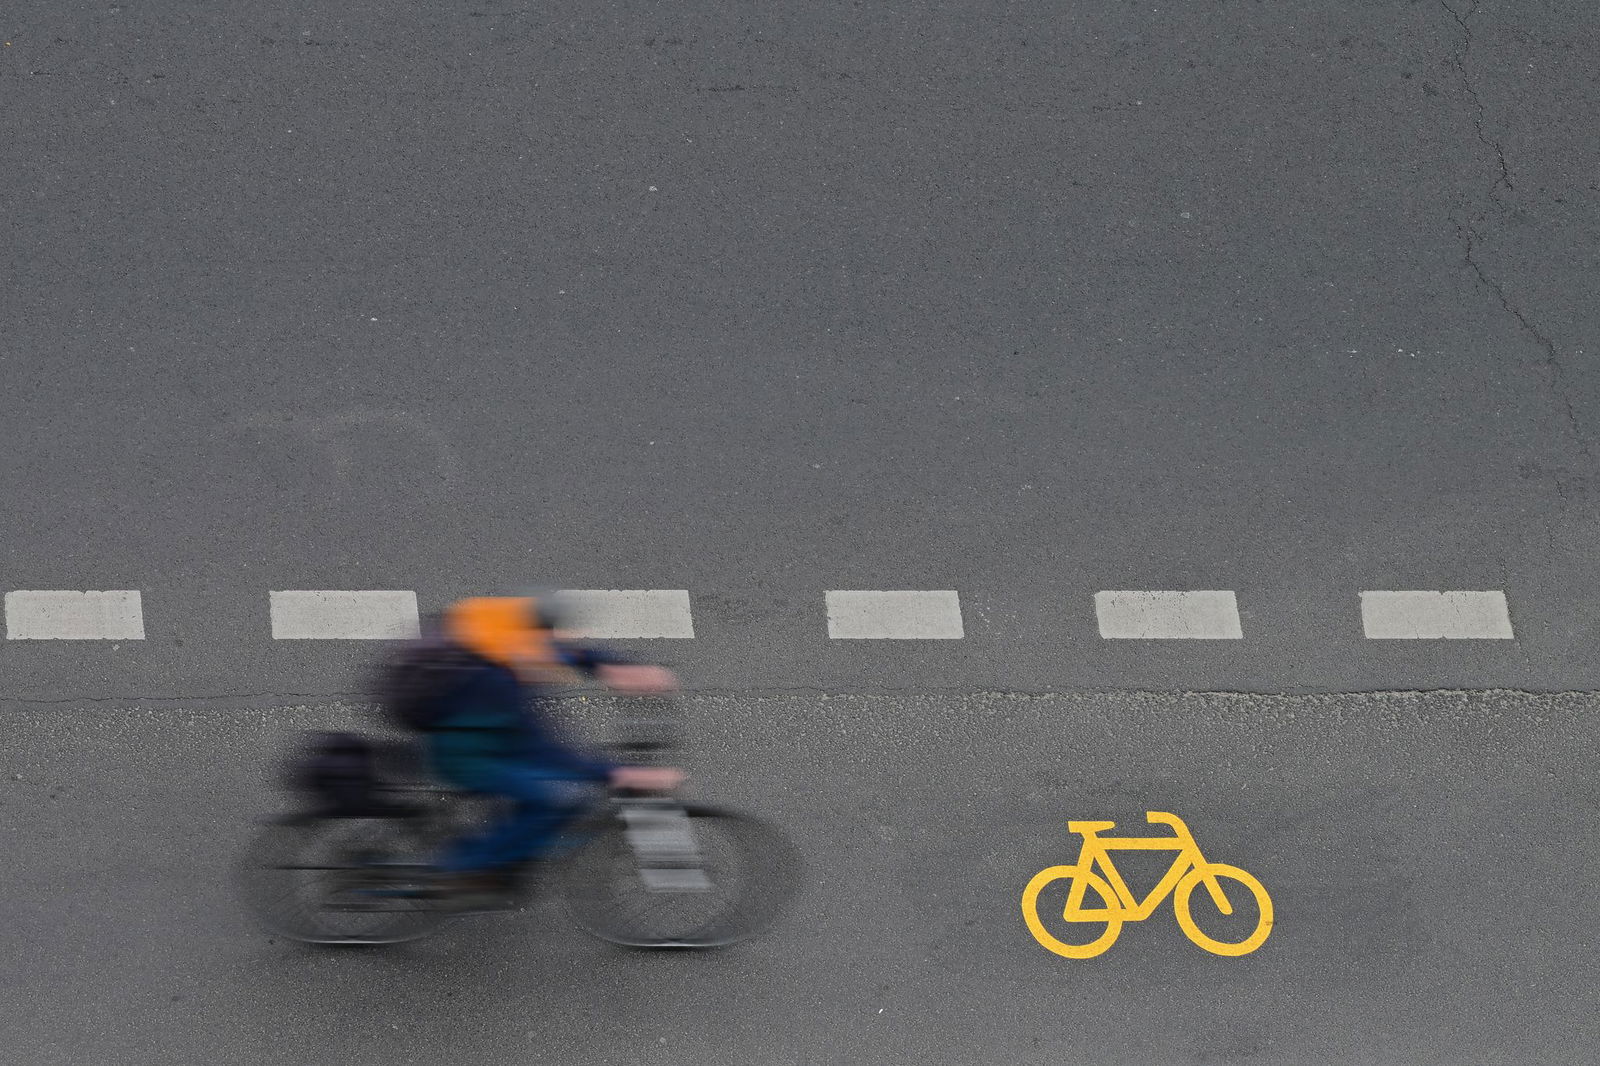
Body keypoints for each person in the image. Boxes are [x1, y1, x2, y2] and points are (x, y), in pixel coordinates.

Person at [393, 592, 683, 905]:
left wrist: (618, 667)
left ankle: (500, 852)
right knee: (558, 798)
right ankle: (463, 870)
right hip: (464, 758)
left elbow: (566, 652)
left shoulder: (503, 637)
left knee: (539, 783)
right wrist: (619, 774)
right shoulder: (498, 682)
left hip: (478, 734)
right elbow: (549, 753)